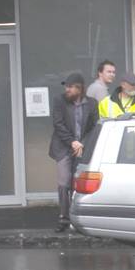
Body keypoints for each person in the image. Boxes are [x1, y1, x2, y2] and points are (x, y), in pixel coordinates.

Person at [50, 73, 98, 232]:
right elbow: (58, 124)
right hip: (63, 147)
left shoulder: (91, 103)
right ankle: (64, 218)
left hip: (81, 147)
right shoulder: (59, 101)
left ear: (80, 88)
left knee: (78, 183)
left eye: (70, 87)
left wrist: (82, 144)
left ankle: (77, 217)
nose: (67, 89)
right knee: (64, 182)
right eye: (66, 87)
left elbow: (93, 127)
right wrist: (72, 141)